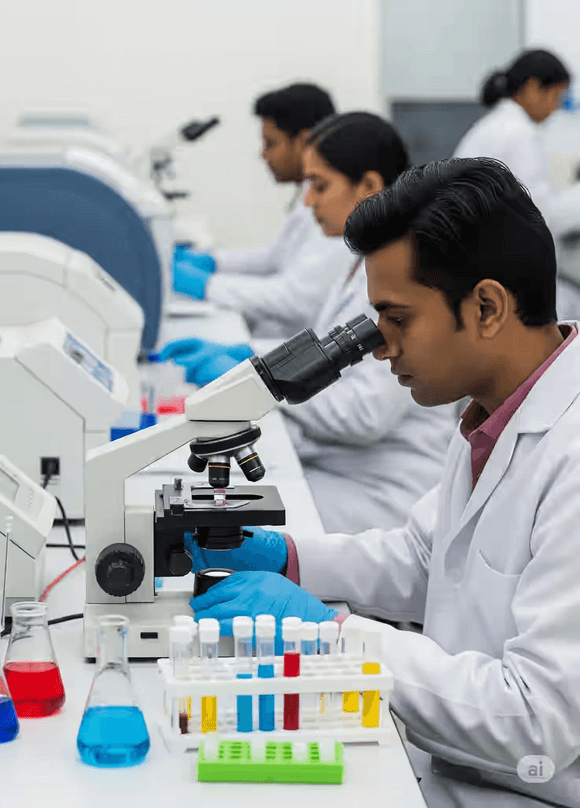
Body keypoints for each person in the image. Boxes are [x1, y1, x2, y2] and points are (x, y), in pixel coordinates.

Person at [190, 157, 580, 808]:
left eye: (397, 320)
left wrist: (332, 638)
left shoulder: (571, 451)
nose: (379, 348)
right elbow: (422, 558)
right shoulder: (492, 408)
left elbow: (538, 721)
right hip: (453, 763)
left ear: (486, 307)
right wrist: (287, 558)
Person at [163, 114, 456, 533]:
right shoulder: (362, 261)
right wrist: (256, 364)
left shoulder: (401, 279)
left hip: (381, 492)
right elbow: (324, 354)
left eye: (319, 186)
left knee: (222, 525)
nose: (307, 202)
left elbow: (365, 413)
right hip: (340, 467)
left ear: (369, 187)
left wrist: (265, 381)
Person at [172, 82, 350, 337]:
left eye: (271, 144)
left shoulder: (339, 206)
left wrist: (206, 285)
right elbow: (276, 258)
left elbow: (296, 299)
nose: (263, 155)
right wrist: (213, 262)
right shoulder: (309, 193)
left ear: (304, 140)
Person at [455, 49, 580, 321]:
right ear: (534, 88)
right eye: (557, 96)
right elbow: (541, 213)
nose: (557, 107)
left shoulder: (495, 125)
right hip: (487, 262)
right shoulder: (519, 133)